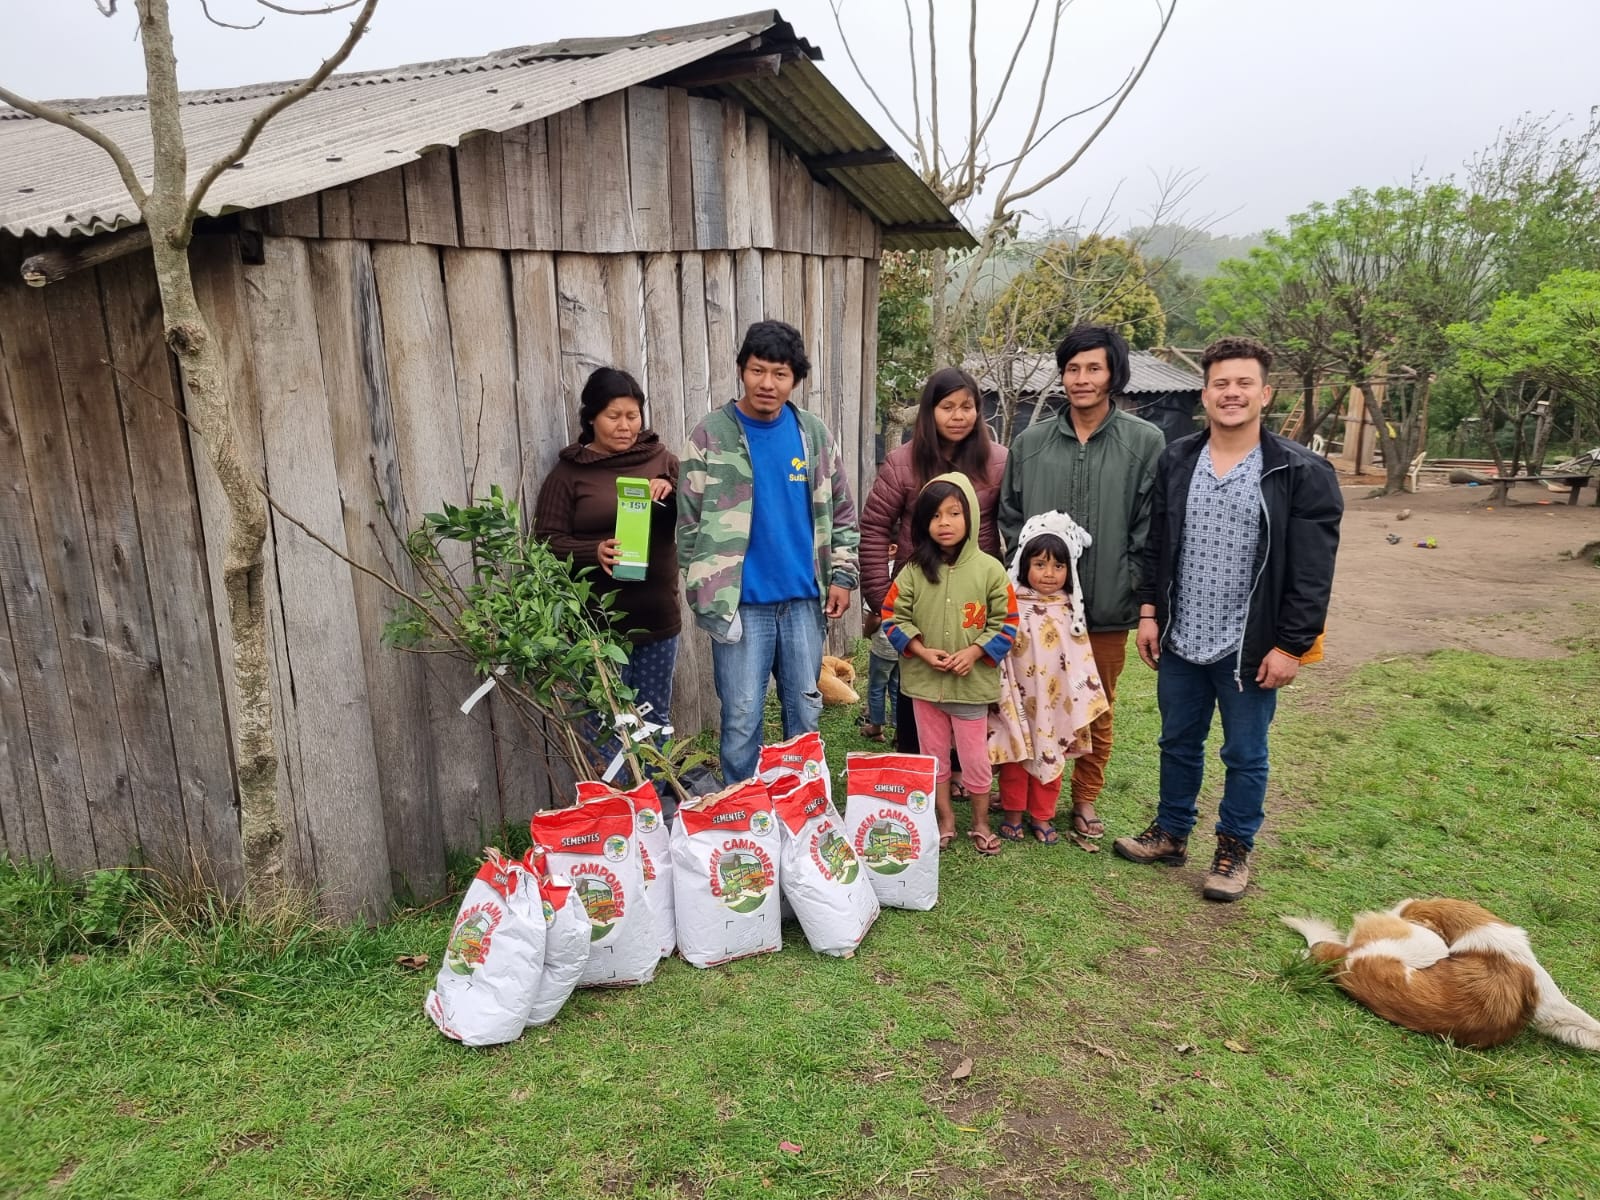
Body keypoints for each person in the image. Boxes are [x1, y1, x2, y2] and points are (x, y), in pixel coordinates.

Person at [1112, 336, 1343, 902]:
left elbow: (1313, 572)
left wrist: (1290, 645)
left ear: (1265, 393)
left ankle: (1234, 847)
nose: (1231, 393)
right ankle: (1171, 831)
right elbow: (1158, 542)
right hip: (1182, 634)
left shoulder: (1299, 470)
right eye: (1221, 383)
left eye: (1244, 383)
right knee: (1177, 741)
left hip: (1251, 643)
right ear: (1205, 392)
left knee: (1245, 752)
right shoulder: (1178, 458)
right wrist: (1148, 612)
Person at [997, 324, 1165, 840]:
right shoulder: (1030, 444)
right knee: (1029, 702)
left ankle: (1085, 799)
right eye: (1073, 368)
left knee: (1096, 707)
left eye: (1094, 368)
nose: (1082, 379)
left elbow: (1150, 529)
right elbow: (1010, 520)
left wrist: (1138, 599)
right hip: (1033, 610)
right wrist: (1029, 584)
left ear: (1113, 373)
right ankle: (1024, 800)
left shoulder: (1145, 443)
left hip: (1108, 608)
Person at [678, 320, 860, 784]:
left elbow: (841, 512)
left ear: (794, 379)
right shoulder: (710, 437)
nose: (767, 384)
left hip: (802, 601)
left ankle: (805, 809)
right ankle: (743, 813)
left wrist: (842, 577)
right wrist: (707, 593)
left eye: (780, 374)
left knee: (805, 709)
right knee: (741, 717)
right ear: (742, 370)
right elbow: (688, 526)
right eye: (757, 371)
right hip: (741, 605)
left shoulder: (813, 436)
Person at [860, 366, 1008, 777]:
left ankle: (964, 769)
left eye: (967, 407)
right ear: (929, 411)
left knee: (969, 679)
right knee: (917, 685)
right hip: (918, 595)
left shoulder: (998, 462)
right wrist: (880, 596)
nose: (958, 416)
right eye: (947, 407)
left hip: (974, 600)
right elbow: (873, 529)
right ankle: (917, 767)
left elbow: (1011, 526)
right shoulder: (902, 463)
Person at [534, 367, 680, 760]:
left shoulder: (662, 461)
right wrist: (593, 552)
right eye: (613, 416)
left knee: (653, 717)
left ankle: (654, 807)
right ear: (591, 418)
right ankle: (617, 810)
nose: (625, 426)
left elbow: (699, 517)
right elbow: (545, 541)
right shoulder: (569, 475)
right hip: (596, 626)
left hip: (656, 618)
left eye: (632, 416)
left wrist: (673, 492)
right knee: (605, 721)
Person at [881, 473, 1017, 854]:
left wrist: (974, 652)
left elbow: (1006, 622)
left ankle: (980, 822)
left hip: (971, 686)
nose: (945, 523)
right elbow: (892, 615)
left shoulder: (990, 570)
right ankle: (945, 820)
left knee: (974, 760)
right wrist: (922, 651)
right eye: (936, 515)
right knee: (933, 757)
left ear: (970, 516)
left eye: (954, 513)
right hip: (925, 686)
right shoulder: (912, 570)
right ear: (924, 522)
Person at [988, 512, 1109, 848]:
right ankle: (1012, 814)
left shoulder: (1070, 611)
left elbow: (1078, 659)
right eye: (1040, 564)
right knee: (1016, 753)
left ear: (1069, 571)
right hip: (1019, 698)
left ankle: (1042, 815)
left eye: (1058, 566)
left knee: (1051, 753)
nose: (1049, 574)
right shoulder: (1014, 606)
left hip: (1055, 704)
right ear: (1025, 565)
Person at [858, 542, 901, 742]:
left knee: (877, 686)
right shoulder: (908, 573)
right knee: (897, 687)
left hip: (883, 645)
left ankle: (876, 728)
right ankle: (900, 730)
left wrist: (867, 633)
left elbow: (875, 616)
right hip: (903, 645)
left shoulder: (882, 577)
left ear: (891, 548)